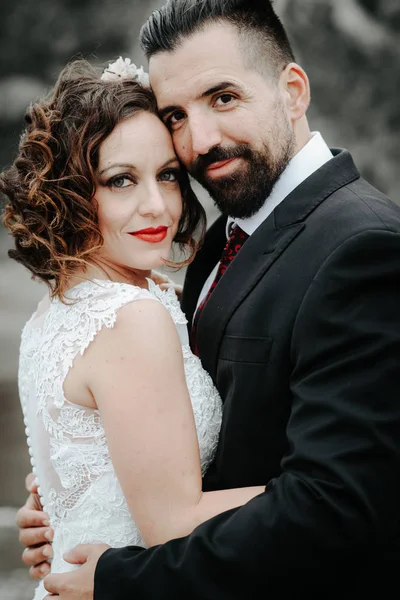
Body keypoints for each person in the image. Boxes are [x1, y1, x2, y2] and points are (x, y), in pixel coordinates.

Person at [17, 0, 400, 597]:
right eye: (176, 114)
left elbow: (337, 504)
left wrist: (121, 577)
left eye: (223, 97)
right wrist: (80, 495)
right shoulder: (218, 245)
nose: (200, 140)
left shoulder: (364, 247)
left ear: (293, 91)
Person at [0, 56, 266, 600]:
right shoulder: (130, 318)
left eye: (168, 175)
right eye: (121, 180)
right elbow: (172, 523)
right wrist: (327, 487)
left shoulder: (59, 309)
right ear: (71, 193)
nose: (158, 206)